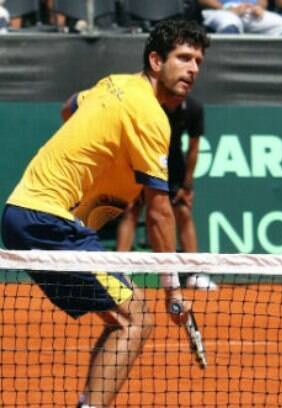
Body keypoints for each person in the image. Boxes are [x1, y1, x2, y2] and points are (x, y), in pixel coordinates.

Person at [1, 19, 209, 408]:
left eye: (198, 60)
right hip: (50, 221)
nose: (193, 68)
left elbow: (70, 108)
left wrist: (102, 162)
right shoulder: (150, 115)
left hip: (33, 215)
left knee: (123, 317)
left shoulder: (112, 82)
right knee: (138, 319)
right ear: (155, 60)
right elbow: (160, 211)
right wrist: (173, 289)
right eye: (183, 58)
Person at [115, 96, 216, 290]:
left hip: (173, 167)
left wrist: (187, 185)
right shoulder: (148, 104)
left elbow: (194, 148)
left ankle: (194, 274)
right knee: (131, 212)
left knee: (184, 213)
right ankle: (119, 272)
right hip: (141, 160)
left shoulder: (193, 108)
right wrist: (128, 177)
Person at [197, 0, 282, 34]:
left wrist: (259, 7)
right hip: (221, 10)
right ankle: (229, 70)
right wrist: (225, 9)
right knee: (231, 24)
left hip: (251, 11)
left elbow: (263, 1)